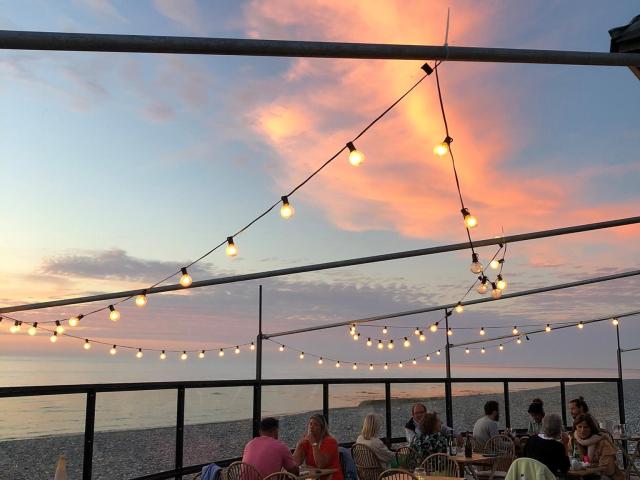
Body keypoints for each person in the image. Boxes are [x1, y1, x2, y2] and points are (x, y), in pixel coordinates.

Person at [569, 414, 623, 480]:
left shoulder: (602, 442)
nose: (582, 430)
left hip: (604, 476)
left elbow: (609, 470)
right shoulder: (573, 440)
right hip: (581, 475)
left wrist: (588, 469)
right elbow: (569, 459)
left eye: (586, 427)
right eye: (579, 427)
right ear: (575, 427)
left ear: (591, 428)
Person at [294, 414, 344, 480]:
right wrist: (299, 445)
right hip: (314, 478)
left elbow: (320, 464)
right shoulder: (306, 442)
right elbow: (294, 463)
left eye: (315, 424)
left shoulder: (331, 442)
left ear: (322, 428)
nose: (311, 427)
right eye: (310, 424)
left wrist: (314, 443)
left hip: (331, 477)